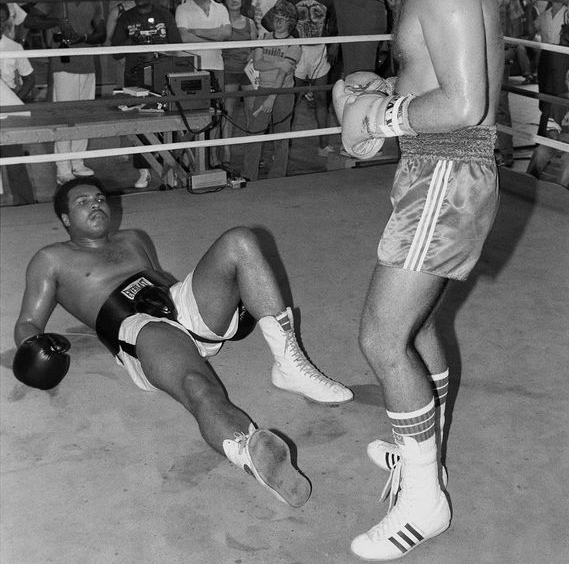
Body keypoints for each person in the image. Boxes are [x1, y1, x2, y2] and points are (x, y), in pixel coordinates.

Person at [332, 0, 503, 560]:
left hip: (446, 174)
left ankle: (424, 502)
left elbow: (466, 104)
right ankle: (418, 451)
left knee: (380, 336)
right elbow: (438, 83)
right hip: (433, 173)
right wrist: (383, 96)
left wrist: (383, 117)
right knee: (417, 324)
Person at [12, 177, 352, 506]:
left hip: (174, 302)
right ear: (66, 219)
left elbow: (160, 279)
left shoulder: (133, 238)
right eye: (83, 202)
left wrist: (228, 294)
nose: (96, 205)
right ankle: (248, 450)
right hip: (140, 327)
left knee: (240, 240)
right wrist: (33, 346)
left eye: (100, 198)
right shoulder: (51, 259)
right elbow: (27, 321)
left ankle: (290, 365)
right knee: (198, 387)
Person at [23, 0, 106, 185]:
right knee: (64, 114)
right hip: (63, 63)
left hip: (87, 61)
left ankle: (78, 162)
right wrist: (56, 22)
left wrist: (84, 38)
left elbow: (100, 33)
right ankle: (63, 167)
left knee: (84, 114)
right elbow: (30, 20)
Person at [110, 0, 183, 189]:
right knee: (140, 124)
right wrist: (132, 41)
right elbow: (115, 52)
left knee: (166, 122)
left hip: (161, 76)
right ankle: (144, 171)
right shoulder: (126, 17)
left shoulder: (165, 15)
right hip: (135, 77)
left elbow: (176, 45)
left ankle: (170, 167)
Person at [175, 0, 231, 167]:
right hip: (192, 67)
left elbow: (226, 34)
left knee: (216, 113)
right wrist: (213, 34)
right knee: (192, 114)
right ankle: (186, 158)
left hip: (216, 65)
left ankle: (213, 158)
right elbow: (184, 37)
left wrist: (197, 31)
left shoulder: (221, 8)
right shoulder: (183, 9)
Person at [241, 0, 302, 182]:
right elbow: (257, 64)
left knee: (281, 136)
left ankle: (278, 176)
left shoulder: (294, 44)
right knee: (254, 132)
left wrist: (271, 98)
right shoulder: (264, 38)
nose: (279, 21)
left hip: (282, 93)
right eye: (277, 16)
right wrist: (278, 62)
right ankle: (248, 175)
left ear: (290, 22)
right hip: (263, 89)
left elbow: (282, 75)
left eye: (283, 18)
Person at [484, 0, 526, 168]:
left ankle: (507, 155)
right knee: (477, 100)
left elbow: (517, 23)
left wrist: (511, 48)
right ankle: (481, 152)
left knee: (500, 105)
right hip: (477, 53)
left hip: (499, 53)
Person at [293, 0, 335, 157]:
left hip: (319, 50)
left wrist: (335, 45)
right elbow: (271, 19)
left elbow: (335, 22)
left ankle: (323, 145)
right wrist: (285, 37)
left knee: (321, 99)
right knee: (292, 100)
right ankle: (284, 146)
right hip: (298, 50)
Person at [526, 64, 569, 188]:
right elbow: (552, 127)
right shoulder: (559, 100)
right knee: (540, 152)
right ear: (565, 81)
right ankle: (528, 183)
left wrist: (563, 140)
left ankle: (561, 192)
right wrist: (556, 138)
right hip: (558, 141)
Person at [0, 2, 36, 204]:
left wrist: (15, 100)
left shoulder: (14, 47)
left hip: (9, 114)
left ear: (6, 20)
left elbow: (30, 79)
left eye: (1, 18)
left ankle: (25, 205)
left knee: (14, 164)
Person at [534, 0, 569, 135]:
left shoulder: (567, 12)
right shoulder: (544, 14)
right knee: (545, 92)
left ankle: (559, 131)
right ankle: (544, 129)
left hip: (562, 56)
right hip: (546, 55)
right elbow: (533, 27)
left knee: (560, 92)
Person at [220, 0, 258, 166]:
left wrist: (252, 55)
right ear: (224, 1)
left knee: (252, 112)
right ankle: (226, 152)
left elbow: (255, 47)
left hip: (247, 73)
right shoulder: (222, 23)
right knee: (228, 113)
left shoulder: (250, 23)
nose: (234, 0)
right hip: (228, 71)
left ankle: (252, 152)